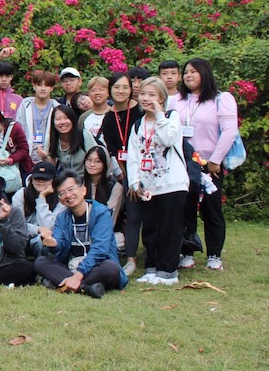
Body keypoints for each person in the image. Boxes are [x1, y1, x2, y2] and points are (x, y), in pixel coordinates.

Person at [175, 58, 238, 271]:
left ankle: (214, 255)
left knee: (211, 209)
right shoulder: (177, 100)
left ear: (205, 74)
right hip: (183, 163)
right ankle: (187, 252)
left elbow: (229, 131)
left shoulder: (221, 99)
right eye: (186, 72)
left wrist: (215, 161)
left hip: (210, 165)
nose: (188, 75)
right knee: (185, 209)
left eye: (193, 71)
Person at [127, 77, 187, 285]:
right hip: (149, 186)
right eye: (143, 94)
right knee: (150, 229)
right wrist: (135, 183)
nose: (146, 98)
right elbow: (133, 156)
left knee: (169, 228)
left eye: (151, 95)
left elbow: (169, 139)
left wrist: (159, 114)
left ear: (161, 98)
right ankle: (152, 268)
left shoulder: (171, 116)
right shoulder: (138, 124)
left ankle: (168, 271)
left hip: (172, 183)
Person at [35, 171, 128, 298]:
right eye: (62, 193)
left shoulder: (101, 213)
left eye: (71, 189)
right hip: (71, 265)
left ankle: (63, 283)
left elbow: (100, 249)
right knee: (40, 262)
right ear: (61, 200)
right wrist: (53, 244)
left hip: (97, 265)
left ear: (83, 190)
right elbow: (60, 244)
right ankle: (87, 288)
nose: (68, 195)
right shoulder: (62, 217)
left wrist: (78, 276)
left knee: (111, 268)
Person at [101, 72, 142, 274]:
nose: (121, 91)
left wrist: (139, 177)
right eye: (116, 87)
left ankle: (155, 256)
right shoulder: (109, 118)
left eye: (125, 87)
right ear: (110, 90)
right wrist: (130, 179)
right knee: (132, 216)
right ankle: (131, 260)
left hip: (150, 171)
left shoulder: (141, 111)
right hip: (128, 173)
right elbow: (115, 152)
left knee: (153, 217)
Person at [10, 161, 63, 257]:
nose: (40, 181)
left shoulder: (60, 198)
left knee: (42, 240)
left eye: (45, 179)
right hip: (23, 238)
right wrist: (37, 229)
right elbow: (17, 225)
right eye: (37, 178)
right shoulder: (21, 194)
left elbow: (49, 227)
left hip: (47, 240)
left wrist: (41, 198)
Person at [44, 104, 98, 177]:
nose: (62, 122)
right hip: (65, 179)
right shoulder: (50, 139)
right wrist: (44, 157)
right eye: (58, 119)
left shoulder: (84, 135)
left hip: (87, 178)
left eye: (66, 118)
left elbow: (97, 158)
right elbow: (51, 168)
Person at [15, 70, 57, 164]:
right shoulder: (25, 106)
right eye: (39, 85)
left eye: (47, 85)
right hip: (26, 158)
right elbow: (18, 129)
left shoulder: (56, 108)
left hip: (49, 158)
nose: (43, 89)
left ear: (52, 88)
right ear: (34, 86)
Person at [83, 146, 123, 223]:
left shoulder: (115, 187)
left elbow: (110, 216)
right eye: (89, 160)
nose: (92, 164)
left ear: (105, 163)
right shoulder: (79, 183)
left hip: (104, 227)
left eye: (97, 161)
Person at [78, 76, 111, 143]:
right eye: (93, 90)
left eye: (101, 90)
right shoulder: (84, 117)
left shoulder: (115, 114)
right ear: (89, 94)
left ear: (108, 92)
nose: (97, 93)